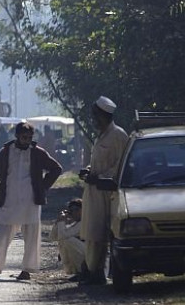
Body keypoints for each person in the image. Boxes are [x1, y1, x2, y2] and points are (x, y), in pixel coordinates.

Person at [0, 121, 63, 281]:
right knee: (1, 233)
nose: (27, 140)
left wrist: (43, 187)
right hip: (9, 199)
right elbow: (2, 174)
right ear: (17, 136)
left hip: (31, 200)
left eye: (30, 137)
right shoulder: (5, 152)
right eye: (24, 137)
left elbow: (56, 168)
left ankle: (27, 270)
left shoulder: (38, 152)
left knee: (31, 235)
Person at [78, 96, 128, 285]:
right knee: (92, 232)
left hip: (109, 191)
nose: (93, 120)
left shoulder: (118, 135)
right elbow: (99, 163)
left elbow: (120, 166)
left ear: (103, 115)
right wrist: (89, 171)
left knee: (104, 233)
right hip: (94, 191)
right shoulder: (101, 135)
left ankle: (98, 272)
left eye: (95, 116)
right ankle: (93, 270)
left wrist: (99, 177)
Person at [50, 198, 85, 281]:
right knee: (64, 241)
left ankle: (83, 272)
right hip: (85, 252)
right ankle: (77, 272)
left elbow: (63, 236)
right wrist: (58, 221)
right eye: (72, 210)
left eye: (77, 210)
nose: (75, 212)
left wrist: (62, 222)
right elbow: (53, 237)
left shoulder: (84, 223)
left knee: (67, 240)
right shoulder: (76, 223)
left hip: (91, 255)